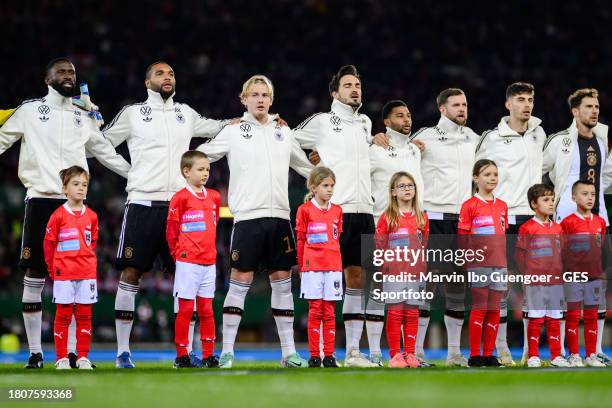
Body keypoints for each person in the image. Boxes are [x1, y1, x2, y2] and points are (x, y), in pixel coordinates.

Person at [0, 58, 130, 369]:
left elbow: (104, 151)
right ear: (47, 79)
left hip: (74, 206)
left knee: (74, 279)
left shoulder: (82, 116)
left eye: (71, 72)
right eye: (61, 71)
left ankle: (73, 354)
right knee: (34, 275)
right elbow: (2, 140)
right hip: (41, 200)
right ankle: (35, 352)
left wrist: (135, 175)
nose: (68, 75)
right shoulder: (29, 111)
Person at [102, 61, 231, 368]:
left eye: (171, 73)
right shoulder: (133, 114)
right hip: (143, 204)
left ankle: (191, 352)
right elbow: (102, 142)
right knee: (130, 274)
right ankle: (123, 352)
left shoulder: (185, 113)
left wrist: (245, 120)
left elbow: (216, 126)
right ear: (147, 82)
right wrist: (128, 171)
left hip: (182, 205)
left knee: (189, 278)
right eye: (160, 73)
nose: (167, 77)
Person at [197, 74, 313, 368]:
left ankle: (288, 353)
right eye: (255, 94)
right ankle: (227, 352)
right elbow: (202, 156)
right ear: (244, 99)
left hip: (280, 218)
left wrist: (329, 175)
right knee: (239, 284)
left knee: (283, 286)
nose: (260, 99)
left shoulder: (283, 132)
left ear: (271, 100)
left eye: (265, 95)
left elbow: (305, 167)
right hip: (247, 218)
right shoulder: (234, 131)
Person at [293, 65, 378, 367]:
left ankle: (353, 351)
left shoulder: (365, 123)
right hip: (334, 211)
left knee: (356, 278)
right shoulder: (321, 121)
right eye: (348, 85)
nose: (355, 89)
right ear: (334, 93)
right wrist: (312, 172)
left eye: (358, 85)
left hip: (364, 210)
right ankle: (317, 352)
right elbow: (290, 140)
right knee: (322, 284)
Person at [476, 83, 547, 366]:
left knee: (535, 287)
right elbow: (475, 174)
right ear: (508, 104)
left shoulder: (539, 134)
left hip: (533, 221)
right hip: (502, 220)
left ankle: (531, 351)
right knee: (501, 287)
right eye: (520, 100)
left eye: (530, 99)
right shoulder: (492, 139)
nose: (526, 104)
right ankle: (502, 349)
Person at [408, 88, 479, 367]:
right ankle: (417, 351)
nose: (462, 109)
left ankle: (453, 353)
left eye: (465, 104)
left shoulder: (474, 138)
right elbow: (399, 156)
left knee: (457, 286)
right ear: (442, 108)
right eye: (456, 105)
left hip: (463, 220)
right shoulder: (424, 138)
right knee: (427, 284)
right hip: (433, 218)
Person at [542, 88, 612, 366]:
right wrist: (558, 203)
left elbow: (606, 177)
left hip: (599, 222)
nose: (594, 111)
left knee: (599, 284)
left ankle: (594, 351)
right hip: (565, 223)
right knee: (565, 290)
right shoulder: (559, 141)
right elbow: (540, 171)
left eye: (597, 106)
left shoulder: (604, 139)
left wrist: (593, 204)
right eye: (588, 106)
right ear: (575, 111)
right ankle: (565, 353)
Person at [166, 151, 220, 368]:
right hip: (187, 262)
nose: (205, 173)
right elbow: (171, 232)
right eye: (200, 169)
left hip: (209, 262)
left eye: (207, 169)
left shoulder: (215, 197)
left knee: (207, 310)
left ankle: (208, 355)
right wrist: (179, 254)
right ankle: (182, 355)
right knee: (186, 310)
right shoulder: (180, 198)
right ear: (186, 171)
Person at [43, 166, 98, 370]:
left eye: (84, 185)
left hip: (87, 273)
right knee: (63, 315)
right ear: (64, 188)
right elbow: (48, 245)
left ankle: (83, 357)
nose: (81, 188)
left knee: (85, 315)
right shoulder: (57, 216)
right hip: (63, 273)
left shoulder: (92, 216)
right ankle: (61, 358)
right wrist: (53, 269)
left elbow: (92, 242)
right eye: (75, 184)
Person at [376, 171, 428, 368]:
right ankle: (395, 355)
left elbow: (424, 246)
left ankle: (411, 353)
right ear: (393, 192)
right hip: (394, 273)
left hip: (416, 272)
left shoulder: (422, 218)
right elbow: (380, 246)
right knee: (396, 312)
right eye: (402, 186)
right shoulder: (387, 217)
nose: (407, 189)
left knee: (412, 313)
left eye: (410, 185)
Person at [458, 159, 507, 367]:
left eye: (495, 174)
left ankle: (489, 354)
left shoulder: (503, 205)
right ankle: (475, 354)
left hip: (499, 264)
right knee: (480, 308)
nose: (492, 178)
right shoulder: (469, 205)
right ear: (475, 178)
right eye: (487, 174)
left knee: (495, 310)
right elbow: (463, 237)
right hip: (478, 265)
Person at [515, 184, 569, 368]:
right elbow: (520, 256)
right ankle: (533, 356)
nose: (551, 203)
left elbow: (564, 254)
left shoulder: (559, 229)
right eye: (546, 200)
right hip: (535, 282)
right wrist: (526, 277)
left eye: (552, 199)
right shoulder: (527, 228)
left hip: (555, 282)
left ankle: (556, 356)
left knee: (554, 318)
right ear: (533, 204)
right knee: (536, 318)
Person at [296, 167, 343, 368]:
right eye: (325, 186)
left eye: (332, 185)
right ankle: (315, 355)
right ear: (314, 188)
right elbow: (300, 239)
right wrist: (301, 265)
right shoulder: (304, 210)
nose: (330, 190)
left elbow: (337, 236)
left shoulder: (338, 210)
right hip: (312, 266)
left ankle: (329, 355)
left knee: (330, 312)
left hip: (333, 265)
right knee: (315, 310)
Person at [560, 180, 607, 367]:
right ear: (574, 197)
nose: (590, 198)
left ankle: (591, 355)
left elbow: (601, 249)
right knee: (572, 316)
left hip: (594, 277)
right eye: (585, 194)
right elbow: (561, 251)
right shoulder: (567, 223)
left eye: (593, 194)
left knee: (591, 317)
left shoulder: (600, 222)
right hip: (573, 277)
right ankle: (573, 355)